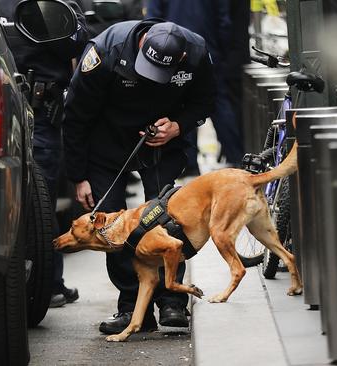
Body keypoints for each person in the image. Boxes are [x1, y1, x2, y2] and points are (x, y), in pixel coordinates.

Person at [63, 19, 216, 334]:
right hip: (106, 145)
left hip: (163, 145)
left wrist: (178, 126)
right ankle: (132, 307)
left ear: (182, 59)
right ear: (141, 43)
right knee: (112, 229)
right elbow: (75, 116)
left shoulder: (197, 52)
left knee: (169, 223)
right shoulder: (106, 52)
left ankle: (172, 301)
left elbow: (206, 101)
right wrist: (79, 176)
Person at [0, 0, 89, 307]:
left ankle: (48, 283)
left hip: (37, 110)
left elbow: (79, 41)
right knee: (34, 197)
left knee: (38, 197)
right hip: (1, 109)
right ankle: (41, 284)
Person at [147, 0, 243, 173]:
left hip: (171, 50)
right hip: (209, 47)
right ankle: (235, 157)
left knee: (180, 105)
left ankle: (189, 163)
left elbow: (153, 17)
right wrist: (221, 51)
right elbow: (224, 20)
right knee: (219, 104)